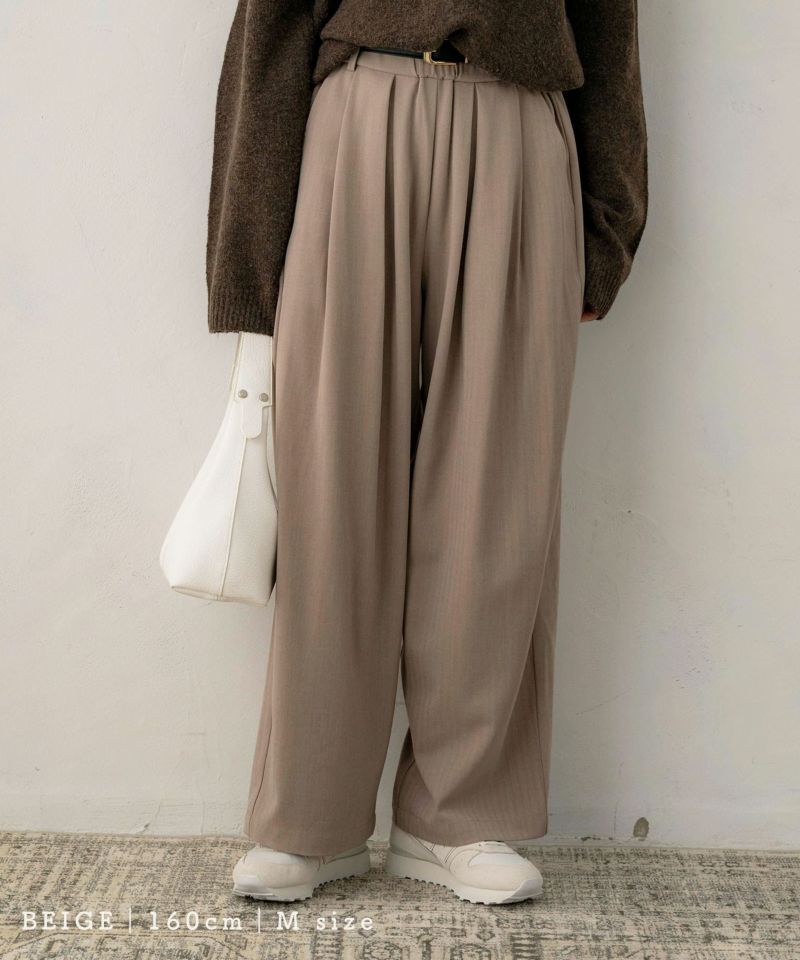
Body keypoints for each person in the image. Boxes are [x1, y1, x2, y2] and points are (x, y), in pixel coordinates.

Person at [206, 1, 647, 905]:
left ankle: (459, 815)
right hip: (357, 116)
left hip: (521, 124)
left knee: (498, 497)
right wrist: (247, 259)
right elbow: (273, 24)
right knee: (332, 494)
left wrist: (608, 229)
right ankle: (308, 819)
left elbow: (608, 22)